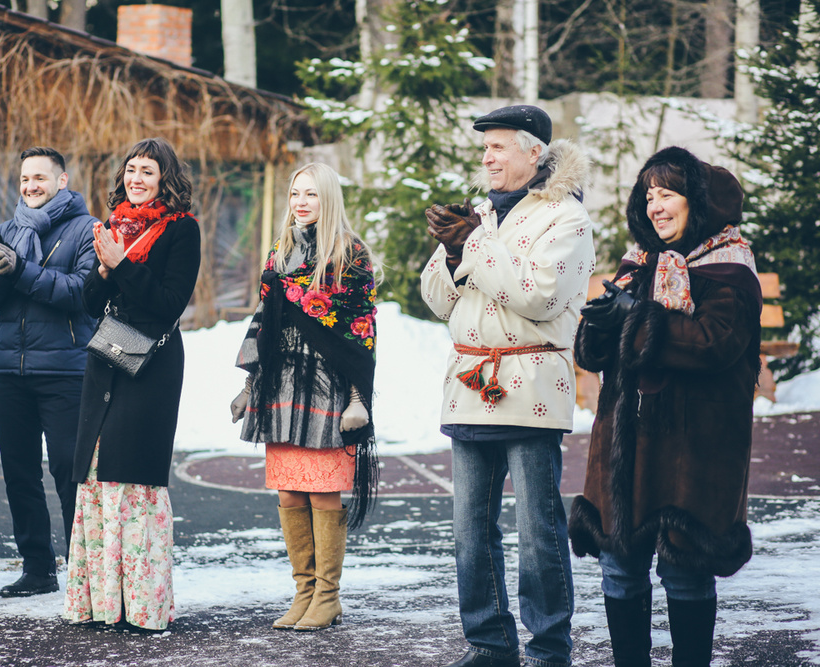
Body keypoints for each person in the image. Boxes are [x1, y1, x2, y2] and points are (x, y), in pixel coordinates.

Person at [569, 146, 760, 667]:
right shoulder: (640, 261)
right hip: (625, 444)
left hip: (693, 452)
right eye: (648, 194)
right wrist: (603, 325)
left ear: (698, 203)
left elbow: (712, 342)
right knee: (620, 569)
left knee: (684, 570)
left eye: (668, 193)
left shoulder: (730, 268)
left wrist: (641, 319)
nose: (655, 205)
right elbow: (595, 353)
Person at [421, 105, 594, 667]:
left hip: (531, 385)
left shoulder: (566, 218)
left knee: (538, 531)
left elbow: (538, 296)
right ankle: (490, 644)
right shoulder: (480, 217)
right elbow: (439, 301)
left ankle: (548, 649)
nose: (487, 157)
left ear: (533, 153)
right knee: (469, 534)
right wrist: (451, 253)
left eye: (498, 147)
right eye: (485, 148)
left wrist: (473, 247)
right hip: (470, 381)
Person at [230, 162, 378, 632]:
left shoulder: (350, 253)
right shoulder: (282, 250)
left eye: (311, 194)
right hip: (282, 380)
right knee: (290, 488)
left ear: (328, 198)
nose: (301, 202)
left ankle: (328, 597)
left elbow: (361, 329)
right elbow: (263, 317)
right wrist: (248, 384)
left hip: (327, 382)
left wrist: (358, 399)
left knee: (322, 488)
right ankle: (305, 592)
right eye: (296, 193)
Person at [62, 137, 200, 631]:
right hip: (107, 359)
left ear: (165, 179)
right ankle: (100, 603)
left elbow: (169, 303)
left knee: (133, 474)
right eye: (131, 170)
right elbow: (90, 304)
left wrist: (121, 265)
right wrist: (103, 270)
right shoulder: (113, 226)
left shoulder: (182, 231)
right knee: (97, 471)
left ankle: (141, 605)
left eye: (148, 171)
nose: (136, 179)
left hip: (152, 366)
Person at [0, 146, 99, 598]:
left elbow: (81, 294)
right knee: (19, 473)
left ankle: (84, 570)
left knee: (68, 472)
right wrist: (4, 273)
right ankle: (38, 569)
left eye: (40, 178)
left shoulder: (87, 229)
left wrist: (20, 270)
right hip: (7, 369)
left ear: (62, 181)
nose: (30, 186)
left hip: (65, 370)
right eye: (25, 178)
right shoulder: (8, 229)